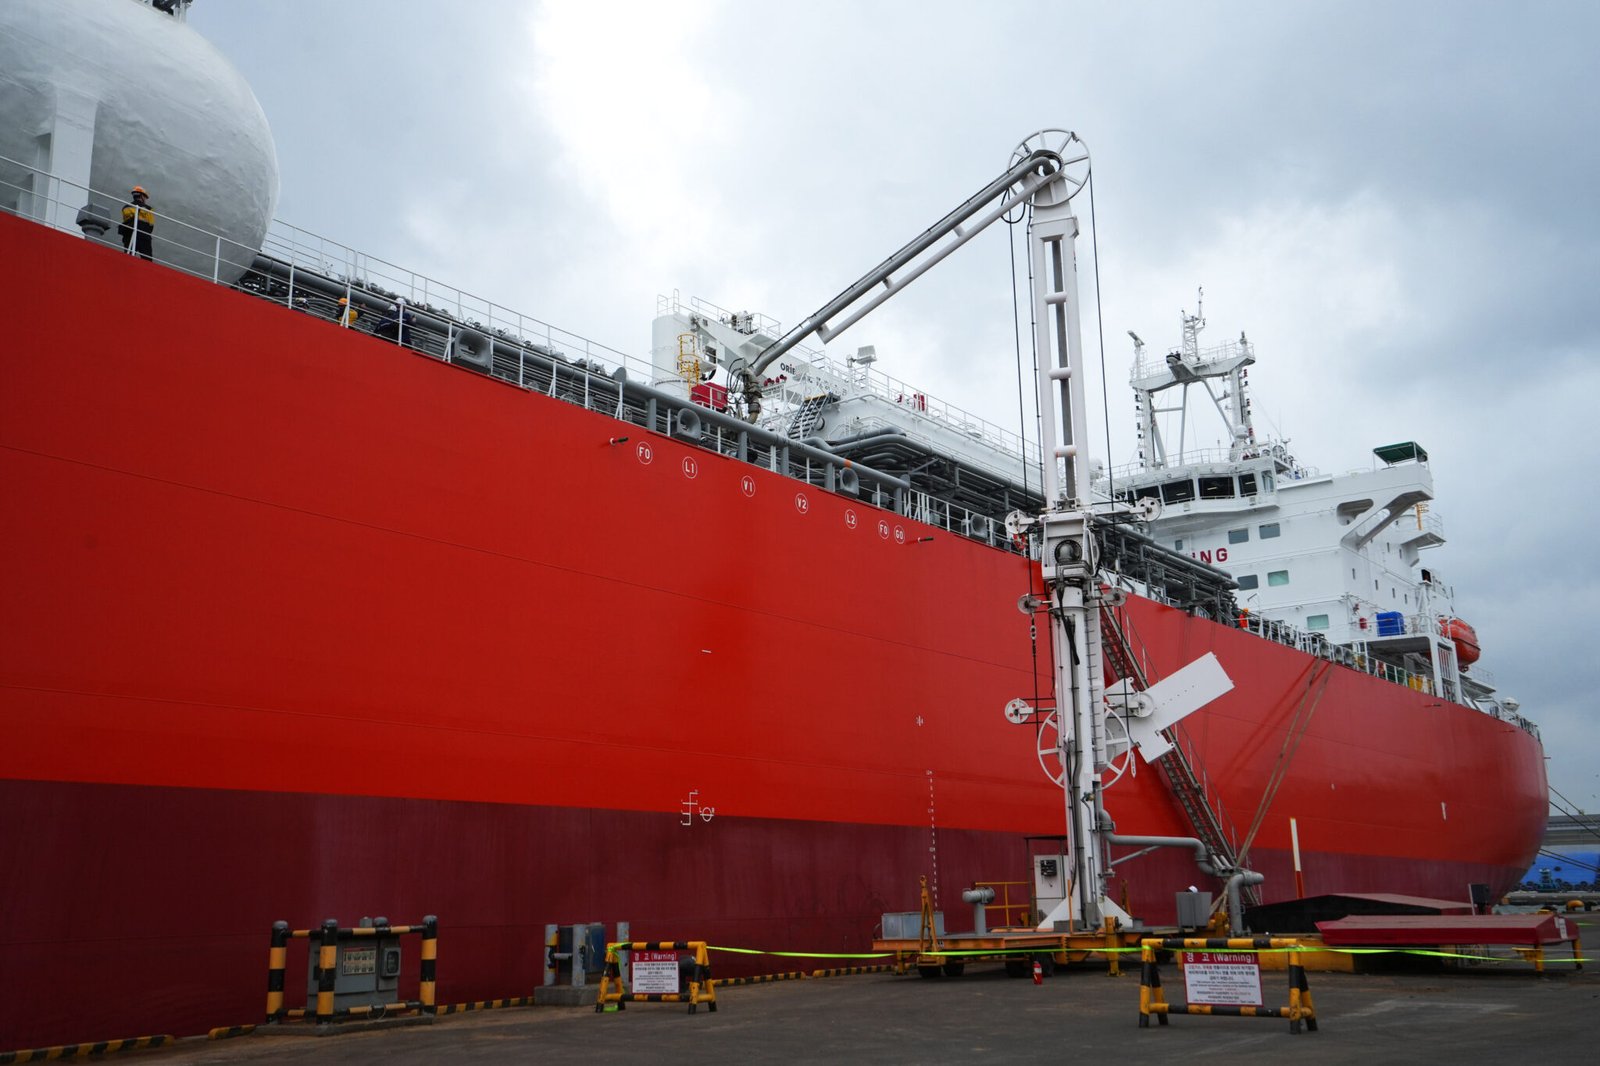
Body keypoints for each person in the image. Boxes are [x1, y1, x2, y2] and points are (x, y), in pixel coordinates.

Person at [119, 186, 155, 260]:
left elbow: (126, 219)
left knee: (128, 257)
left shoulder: (126, 207)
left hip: (129, 233)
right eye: (145, 197)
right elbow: (151, 224)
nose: (145, 199)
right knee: (147, 260)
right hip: (144, 235)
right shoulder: (149, 209)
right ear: (141, 196)